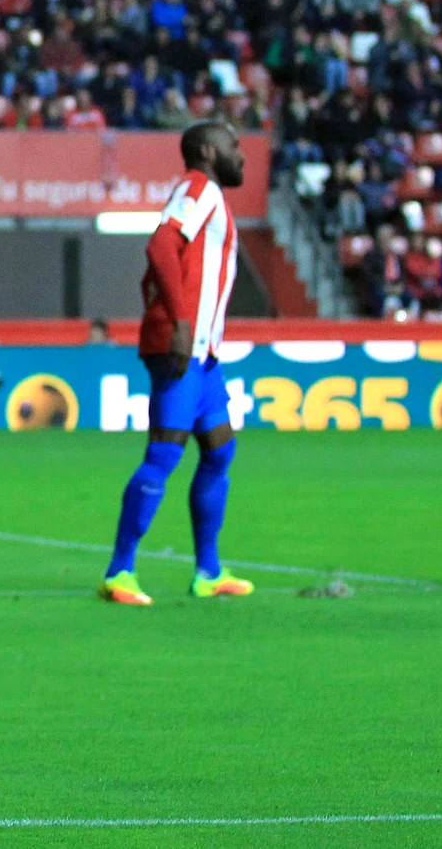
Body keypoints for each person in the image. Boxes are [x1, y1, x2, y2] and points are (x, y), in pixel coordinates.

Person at [99, 121, 253, 607]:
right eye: (234, 146)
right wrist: (179, 324)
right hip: (182, 345)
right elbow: (161, 245)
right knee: (164, 455)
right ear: (208, 151)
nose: (243, 155)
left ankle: (208, 571)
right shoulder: (197, 187)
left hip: (204, 354)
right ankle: (119, 572)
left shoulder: (212, 196)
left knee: (219, 451)